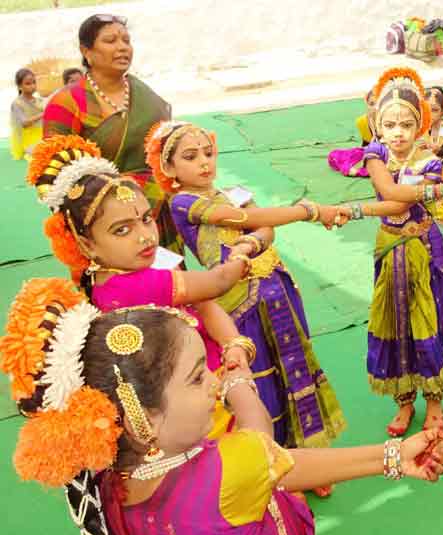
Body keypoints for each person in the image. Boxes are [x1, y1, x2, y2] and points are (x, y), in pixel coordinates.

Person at [0, 280, 443, 535]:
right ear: (142, 421)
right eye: (198, 377)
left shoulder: (104, 477)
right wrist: (239, 378)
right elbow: (269, 448)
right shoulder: (224, 467)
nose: (213, 383)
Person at [25, 134, 279, 438]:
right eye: (122, 230)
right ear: (85, 244)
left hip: (213, 376)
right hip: (191, 406)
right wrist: (244, 252)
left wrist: (234, 344)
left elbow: (205, 305)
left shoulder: (142, 261)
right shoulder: (125, 286)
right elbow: (217, 283)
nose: (145, 236)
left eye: (146, 219)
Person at [147, 122, 348, 491]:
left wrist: (249, 246)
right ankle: (275, 467)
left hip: (277, 286)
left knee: (295, 368)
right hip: (238, 303)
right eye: (190, 157)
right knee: (260, 382)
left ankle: (308, 459)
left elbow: (264, 230)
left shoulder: (232, 190)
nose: (204, 163)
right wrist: (308, 211)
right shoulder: (183, 202)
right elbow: (249, 220)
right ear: (170, 168)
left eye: (208, 153)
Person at [337, 68, 443, 437]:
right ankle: (404, 400)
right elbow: (394, 200)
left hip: (425, 250)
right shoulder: (375, 154)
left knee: (429, 322)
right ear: (377, 126)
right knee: (393, 320)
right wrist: (441, 193)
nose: (398, 132)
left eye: (407, 124)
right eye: (389, 123)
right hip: (390, 250)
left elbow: (405, 204)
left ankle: (435, 401)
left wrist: (433, 193)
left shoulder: (430, 161)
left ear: (420, 126)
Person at [42, 15, 177, 252]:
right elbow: (52, 177)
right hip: (105, 224)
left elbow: (168, 150)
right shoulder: (67, 103)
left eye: (126, 40)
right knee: (122, 287)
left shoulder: (144, 94)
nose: (122, 47)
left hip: (155, 213)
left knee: (170, 284)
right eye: (110, 40)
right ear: (87, 51)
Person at [327, 89, 376, 178]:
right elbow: (366, 145)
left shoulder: (391, 120)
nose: (375, 108)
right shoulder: (362, 121)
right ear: (367, 104)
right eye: (372, 104)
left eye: (379, 104)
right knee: (333, 155)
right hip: (371, 152)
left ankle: (364, 171)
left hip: (391, 154)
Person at [9, 68, 43, 160]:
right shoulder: (17, 103)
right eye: (28, 83)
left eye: (34, 82)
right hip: (27, 139)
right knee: (42, 153)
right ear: (19, 86)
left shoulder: (39, 100)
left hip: (43, 134)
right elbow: (24, 124)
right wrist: (43, 114)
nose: (33, 86)